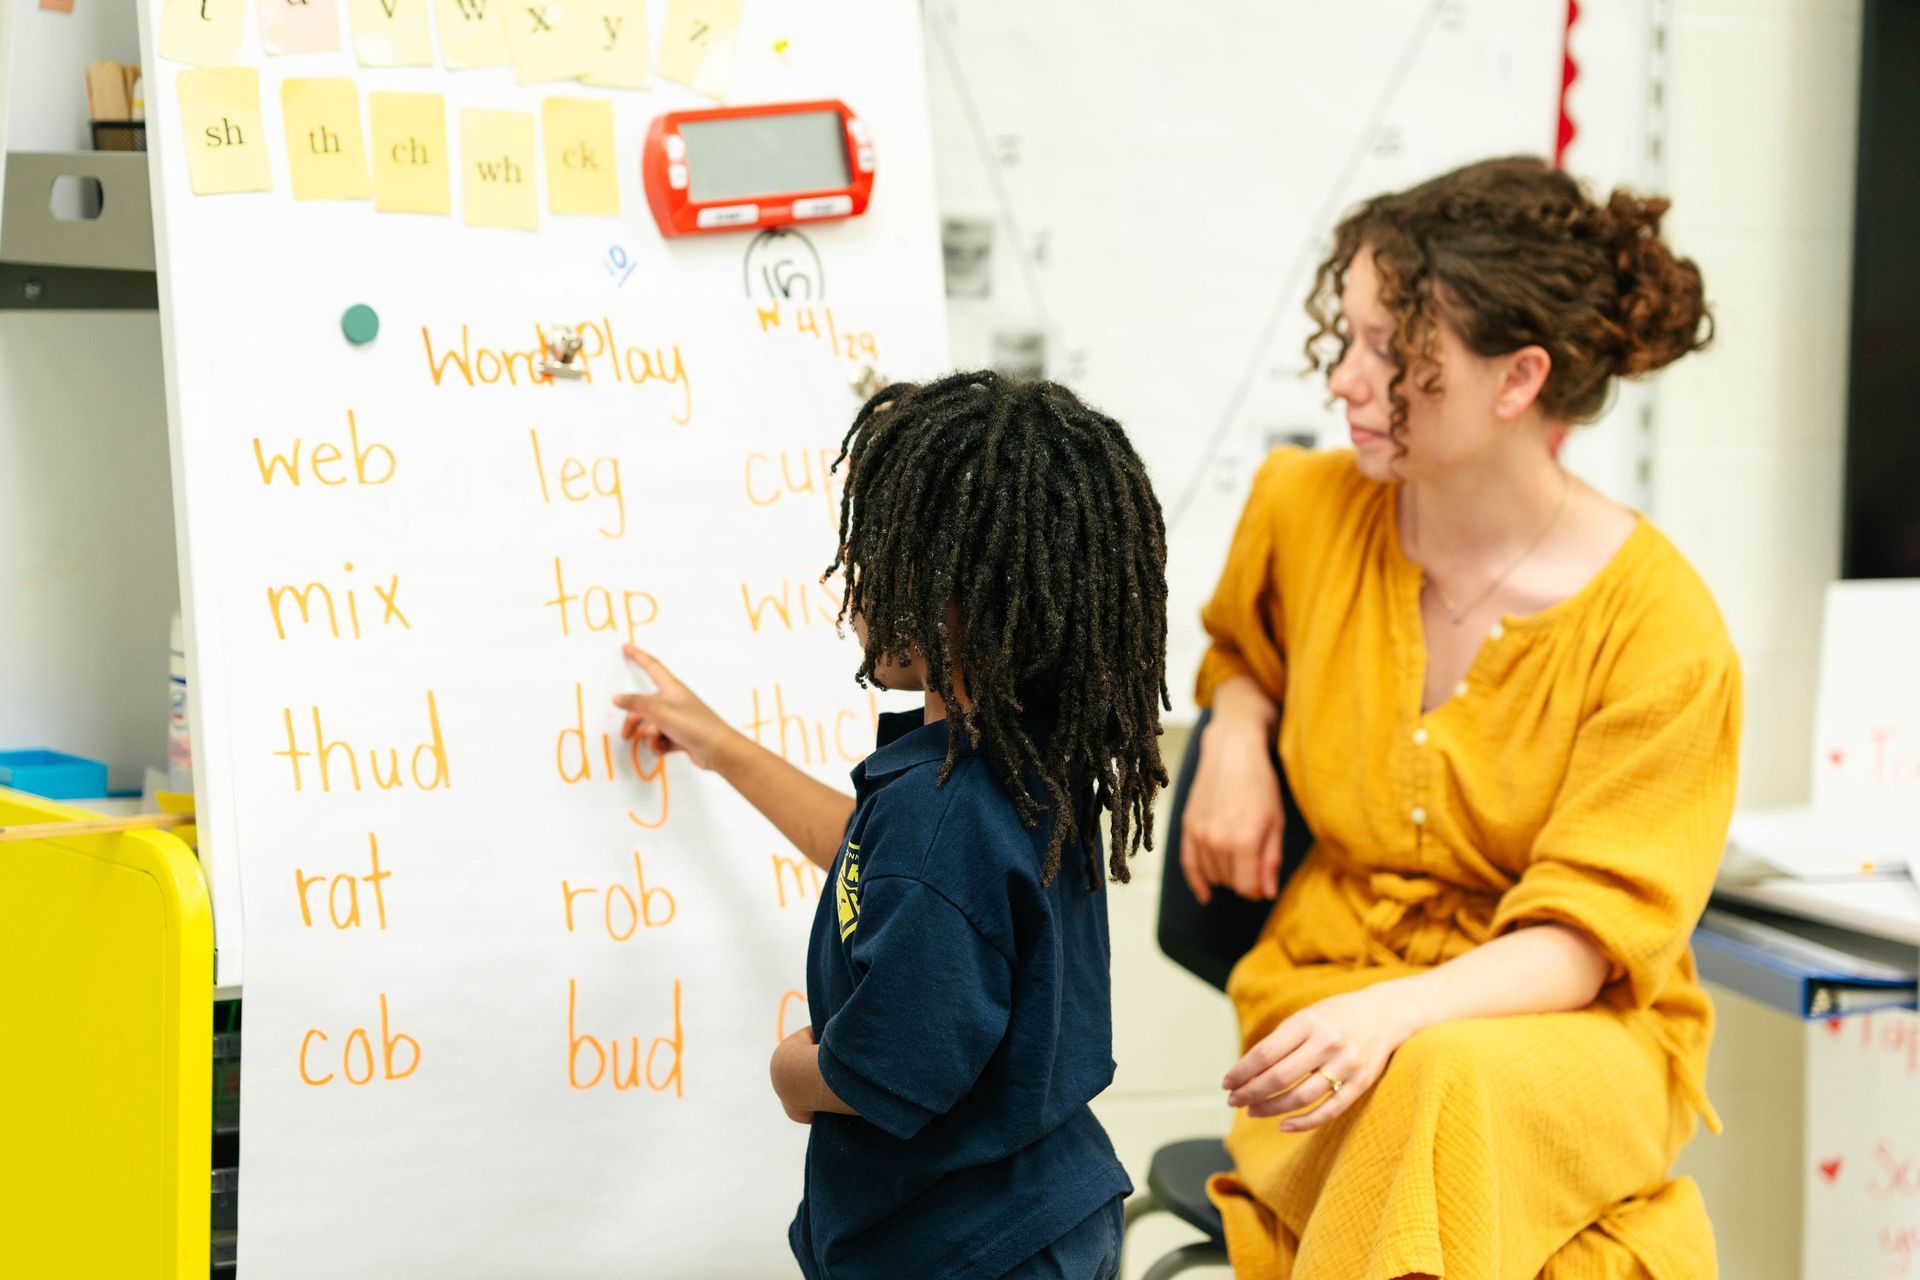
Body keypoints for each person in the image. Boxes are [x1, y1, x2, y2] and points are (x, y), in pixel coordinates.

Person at [1180, 156, 1741, 1278]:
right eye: (1348, 338)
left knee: (1437, 1079)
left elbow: (1588, 940)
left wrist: (1398, 1015)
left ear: (1516, 378)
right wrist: (1236, 729)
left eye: (1392, 350)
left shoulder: (1664, 632)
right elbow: (1242, 644)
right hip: (1325, 994)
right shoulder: (1305, 510)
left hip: (1575, 1038)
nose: (1345, 379)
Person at [614, 371, 1170, 1280]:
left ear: (946, 592)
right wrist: (723, 748)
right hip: (1048, 1207)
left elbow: (890, 1070)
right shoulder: (1015, 765)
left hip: (962, 1247)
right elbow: (887, 869)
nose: (854, 584)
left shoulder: (939, 814)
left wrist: (793, 1071)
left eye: (878, 554)